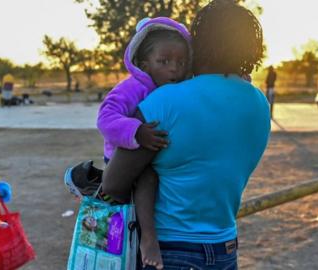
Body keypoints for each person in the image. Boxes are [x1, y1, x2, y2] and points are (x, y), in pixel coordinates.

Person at [101, 1, 270, 269]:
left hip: (167, 251)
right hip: (225, 247)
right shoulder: (260, 104)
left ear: (198, 43)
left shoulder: (165, 100)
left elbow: (112, 184)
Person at [65, 17, 192, 269]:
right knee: (147, 178)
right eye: (164, 62)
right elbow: (106, 117)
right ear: (144, 64)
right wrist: (136, 132)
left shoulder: (177, 87)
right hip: (124, 158)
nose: (173, 69)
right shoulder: (132, 87)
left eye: (180, 62)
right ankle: (149, 238)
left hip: (152, 155)